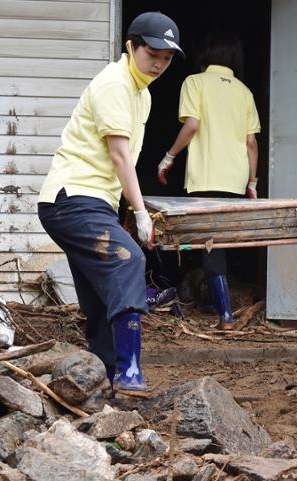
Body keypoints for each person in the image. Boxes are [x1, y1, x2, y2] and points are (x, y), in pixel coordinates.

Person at [37, 12, 184, 397]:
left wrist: (123, 212)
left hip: (93, 201)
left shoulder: (143, 94)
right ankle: (130, 370)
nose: (159, 64)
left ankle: (102, 378)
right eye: (152, 54)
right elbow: (120, 157)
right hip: (71, 198)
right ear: (130, 47)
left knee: (101, 291)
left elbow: (123, 164)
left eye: (167, 58)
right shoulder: (114, 84)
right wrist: (140, 214)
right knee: (128, 260)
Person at [158, 32, 261, 330]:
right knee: (222, 243)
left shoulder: (195, 82)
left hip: (205, 177)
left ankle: (225, 314)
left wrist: (169, 157)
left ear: (204, 54)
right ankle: (222, 307)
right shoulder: (244, 92)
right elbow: (251, 143)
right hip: (236, 179)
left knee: (210, 244)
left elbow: (192, 125)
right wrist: (252, 182)